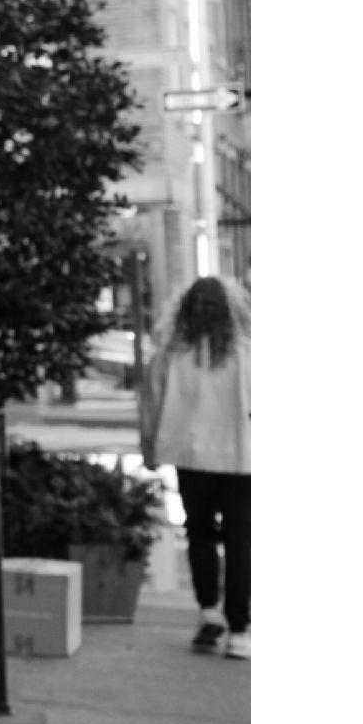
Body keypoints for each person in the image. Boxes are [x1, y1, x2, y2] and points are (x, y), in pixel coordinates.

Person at [140, 273, 252, 655]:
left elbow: (151, 406)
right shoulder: (247, 354)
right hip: (240, 458)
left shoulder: (170, 355)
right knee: (240, 541)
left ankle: (209, 612)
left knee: (199, 534)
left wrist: (150, 449)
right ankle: (239, 628)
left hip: (190, 458)